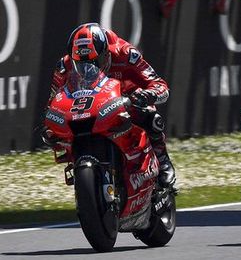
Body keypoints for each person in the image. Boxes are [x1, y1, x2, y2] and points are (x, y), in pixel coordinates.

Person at [45, 23, 176, 187]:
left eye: (94, 62)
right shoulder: (65, 66)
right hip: (89, 107)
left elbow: (160, 85)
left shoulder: (126, 54)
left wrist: (147, 95)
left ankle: (163, 161)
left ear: (105, 53)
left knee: (151, 117)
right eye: (82, 65)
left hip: (127, 100)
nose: (88, 70)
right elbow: (53, 99)